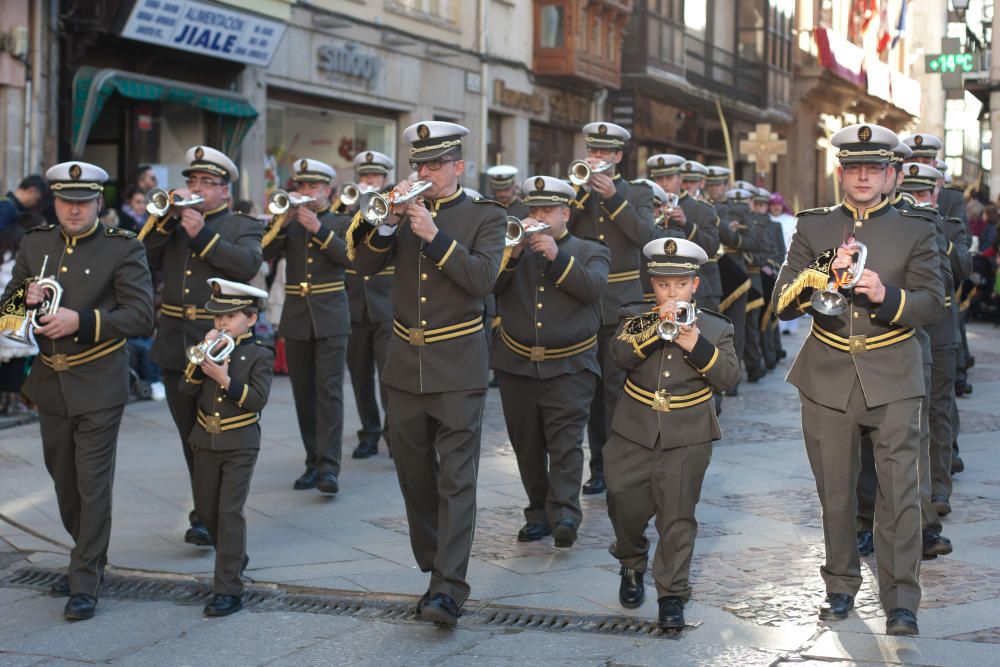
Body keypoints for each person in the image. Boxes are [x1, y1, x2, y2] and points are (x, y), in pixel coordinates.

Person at [774, 123, 943, 636]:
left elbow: (933, 304)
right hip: (826, 375)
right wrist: (825, 270)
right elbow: (782, 302)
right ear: (841, 173)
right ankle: (840, 587)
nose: (863, 176)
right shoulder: (814, 226)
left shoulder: (918, 228)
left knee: (900, 494)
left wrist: (884, 295)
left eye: (875, 168)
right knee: (837, 494)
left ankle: (901, 601)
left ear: (893, 175)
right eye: (853, 168)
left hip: (893, 373)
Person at [346, 121, 505, 626]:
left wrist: (435, 237)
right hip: (403, 368)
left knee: (457, 479)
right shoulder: (402, 211)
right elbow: (365, 266)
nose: (425, 173)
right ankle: (436, 564)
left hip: (458, 365)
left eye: (435, 164)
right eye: (419, 164)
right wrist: (388, 222)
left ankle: (448, 587)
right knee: (414, 474)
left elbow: (482, 278)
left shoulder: (485, 216)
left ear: (459, 166)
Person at [0, 161, 154, 620]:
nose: (74, 209)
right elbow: (7, 314)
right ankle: (88, 553)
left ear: (98, 203)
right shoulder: (37, 242)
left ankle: (85, 576)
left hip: (100, 380)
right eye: (66, 200)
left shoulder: (122, 248)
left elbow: (141, 317)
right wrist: (18, 301)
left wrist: (81, 321)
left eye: (84, 201)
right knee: (64, 481)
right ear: (55, 201)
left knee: (91, 483)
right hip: (49, 382)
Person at [605, 237, 739, 629]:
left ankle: (672, 595)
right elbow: (619, 356)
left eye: (680, 285)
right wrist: (654, 326)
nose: (672, 292)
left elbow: (729, 377)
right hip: (633, 428)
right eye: (664, 284)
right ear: (653, 286)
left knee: (678, 516)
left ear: (694, 285)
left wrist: (694, 342)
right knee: (622, 502)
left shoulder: (715, 326)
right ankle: (631, 561)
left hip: (687, 434)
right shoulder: (635, 318)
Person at [143, 146, 263, 545]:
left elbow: (247, 265)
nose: (196, 189)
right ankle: (202, 512)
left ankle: (210, 516)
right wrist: (163, 219)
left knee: (216, 436)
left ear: (225, 192)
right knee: (190, 436)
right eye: (191, 181)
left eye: (206, 183)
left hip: (219, 344)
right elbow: (139, 257)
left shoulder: (240, 224)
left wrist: (202, 235)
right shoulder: (171, 223)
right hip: (175, 343)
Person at [492, 175, 610, 547]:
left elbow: (593, 289)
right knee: (526, 445)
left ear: (565, 214)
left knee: (565, 444)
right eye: (533, 209)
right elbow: (485, 289)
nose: (538, 216)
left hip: (570, 367)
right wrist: (511, 255)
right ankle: (538, 512)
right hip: (517, 365)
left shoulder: (590, 250)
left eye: (546, 210)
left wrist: (557, 257)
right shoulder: (512, 250)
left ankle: (564, 515)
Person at [179, 278, 272, 617]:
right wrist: (198, 362)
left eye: (230, 318)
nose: (221, 325)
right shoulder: (210, 350)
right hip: (205, 439)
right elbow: (185, 389)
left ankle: (228, 588)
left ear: (250, 318)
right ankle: (234, 556)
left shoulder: (260, 354)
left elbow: (258, 400)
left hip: (240, 443)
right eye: (217, 319)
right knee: (206, 510)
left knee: (230, 512)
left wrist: (225, 380)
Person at [262, 158, 351, 493]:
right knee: (304, 395)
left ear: (327, 189)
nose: (306, 192)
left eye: (313, 187)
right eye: (301, 187)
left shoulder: (342, 221)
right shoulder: (289, 222)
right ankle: (312, 461)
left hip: (331, 315)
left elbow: (351, 258)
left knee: (329, 393)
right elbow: (263, 252)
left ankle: (330, 468)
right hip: (297, 315)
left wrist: (319, 229)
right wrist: (283, 222)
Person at [343, 150, 396, 459]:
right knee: (360, 376)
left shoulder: (392, 205)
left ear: (384, 179)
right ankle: (369, 433)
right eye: (364, 177)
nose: (367, 182)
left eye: (373, 177)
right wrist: (350, 207)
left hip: (385, 303)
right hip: (354, 304)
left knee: (389, 376)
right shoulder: (346, 206)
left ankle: (393, 435)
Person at [0, 218, 37, 414]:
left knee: (6, 365)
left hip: (3, 322)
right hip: (18, 323)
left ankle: (4, 401)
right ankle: (13, 402)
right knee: (17, 365)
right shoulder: (19, 264)